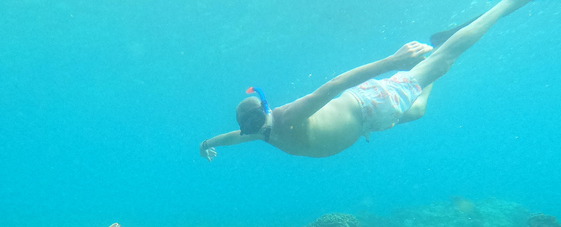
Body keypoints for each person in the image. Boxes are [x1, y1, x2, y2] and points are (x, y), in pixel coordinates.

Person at [199, 0, 531, 160]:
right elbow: (231, 138)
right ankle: (435, 52)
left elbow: (334, 86)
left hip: (371, 106)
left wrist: (393, 61)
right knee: (417, 111)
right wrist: (207, 144)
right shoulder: (262, 131)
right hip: (369, 115)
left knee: (444, 60)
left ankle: (503, 6)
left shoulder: (285, 118)